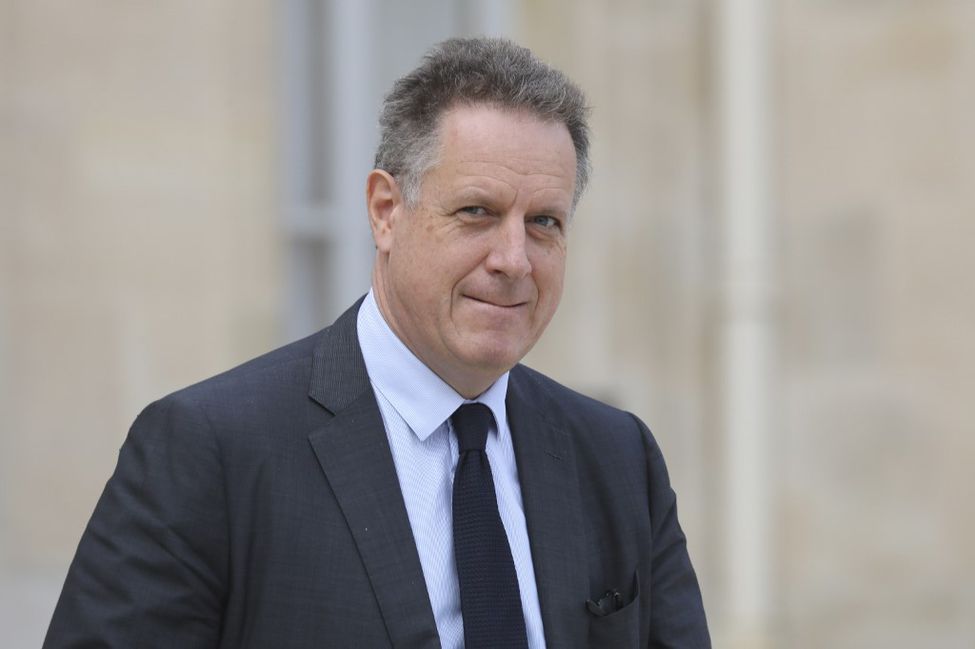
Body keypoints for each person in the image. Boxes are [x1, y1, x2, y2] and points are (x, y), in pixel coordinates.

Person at [44, 37, 710, 648]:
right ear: (385, 212)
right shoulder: (211, 450)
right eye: (476, 212)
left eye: (543, 222)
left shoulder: (617, 459)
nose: (514, 259)